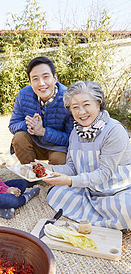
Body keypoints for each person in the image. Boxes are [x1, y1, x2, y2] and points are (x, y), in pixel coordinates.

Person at [42, 81, 131, 230]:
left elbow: (104, 174)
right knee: (54, 193)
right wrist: (48, 169)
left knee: (128, 209)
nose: (81, 112)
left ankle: (100, 216)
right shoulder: (76, 132)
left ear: (98, 103)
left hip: (118, 191)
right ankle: (105, 219)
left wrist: (70, 181)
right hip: (89, 189)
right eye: (75, 107)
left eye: (86, 105)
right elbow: (71, 167)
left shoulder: (114, 131)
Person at [9, 56, 74, 165]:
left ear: (55, 78)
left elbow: (71, 138)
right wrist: (31, 125)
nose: (41, 83)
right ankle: (30, 174)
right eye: (35, 79)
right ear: (30, 82)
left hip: (58, 147)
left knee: (59, 160)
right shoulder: (23, 95)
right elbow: (13, 125)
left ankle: (56, 179)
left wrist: (43, 131)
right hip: (35, 143)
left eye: (46, 77)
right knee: (19, 138)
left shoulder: (69, 99)